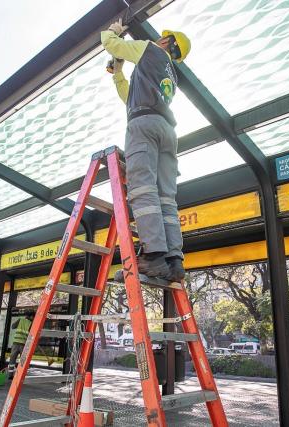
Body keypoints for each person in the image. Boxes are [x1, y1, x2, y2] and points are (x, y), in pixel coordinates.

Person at [101, 19, 191, 282]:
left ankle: (153, 257)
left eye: (164, 37)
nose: (159, 39)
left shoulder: (149, 50)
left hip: (143, 127)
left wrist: (115, 30)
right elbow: (129, 97)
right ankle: (174, 261)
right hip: (167, 131)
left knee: (143, 189)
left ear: (167, 42)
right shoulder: (170, 75)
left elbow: (110, 43)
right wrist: (118, 72)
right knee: (166, 197)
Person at [7, 312, 32, 378]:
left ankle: (10, 375)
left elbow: (13, 326)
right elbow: (31, 334)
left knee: (12, 359)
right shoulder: (31, 323)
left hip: (16, 343)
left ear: (26, 315)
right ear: (31, 317)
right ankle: (21, 375)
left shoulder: (20, 320)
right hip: (23, 345)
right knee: (23, 361)